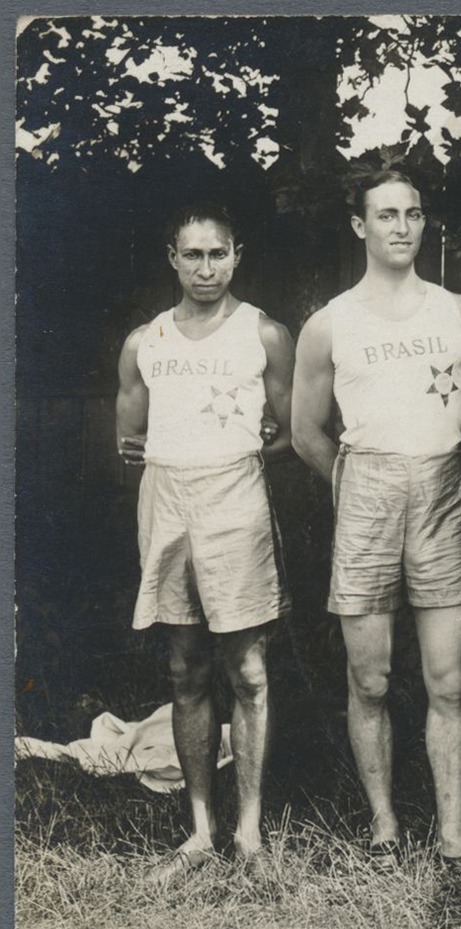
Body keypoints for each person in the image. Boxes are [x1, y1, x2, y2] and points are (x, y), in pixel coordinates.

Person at [291, 170, 461, 867]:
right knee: (368, 678)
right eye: (386, 215)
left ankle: (454, 830)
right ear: (359, 226)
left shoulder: (456, 312)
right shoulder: (330, 322)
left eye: (412, 214)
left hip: (442, 491)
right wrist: (352, 483)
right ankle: (383, 824)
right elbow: (305, 430)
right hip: (367, 491)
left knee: (449, 678)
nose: (401, 227)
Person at [115, 201, 294, 881]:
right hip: (167, 501)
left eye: (217, 253)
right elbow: (129, 439)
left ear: (236, 255)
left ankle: (249, 833)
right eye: (192, 254)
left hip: (236, 498)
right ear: (172, 259)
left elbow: (286, 427)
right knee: (186, 666)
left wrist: (230, 461)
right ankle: (200, 830)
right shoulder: (145, 342)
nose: (205, 267)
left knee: (247, 668)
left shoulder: (264, 334)